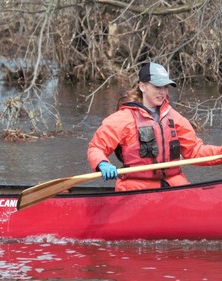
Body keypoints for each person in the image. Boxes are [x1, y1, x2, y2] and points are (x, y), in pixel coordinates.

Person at [87, 62, 222, 191]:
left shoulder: (174, 118)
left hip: (173, 184)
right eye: (157, 87)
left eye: (165, 87)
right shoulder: (122, 119)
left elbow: (195, 151)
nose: (162, 92)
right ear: (142, 86)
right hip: (137, 187)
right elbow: (96, 148)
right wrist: (102, 163)